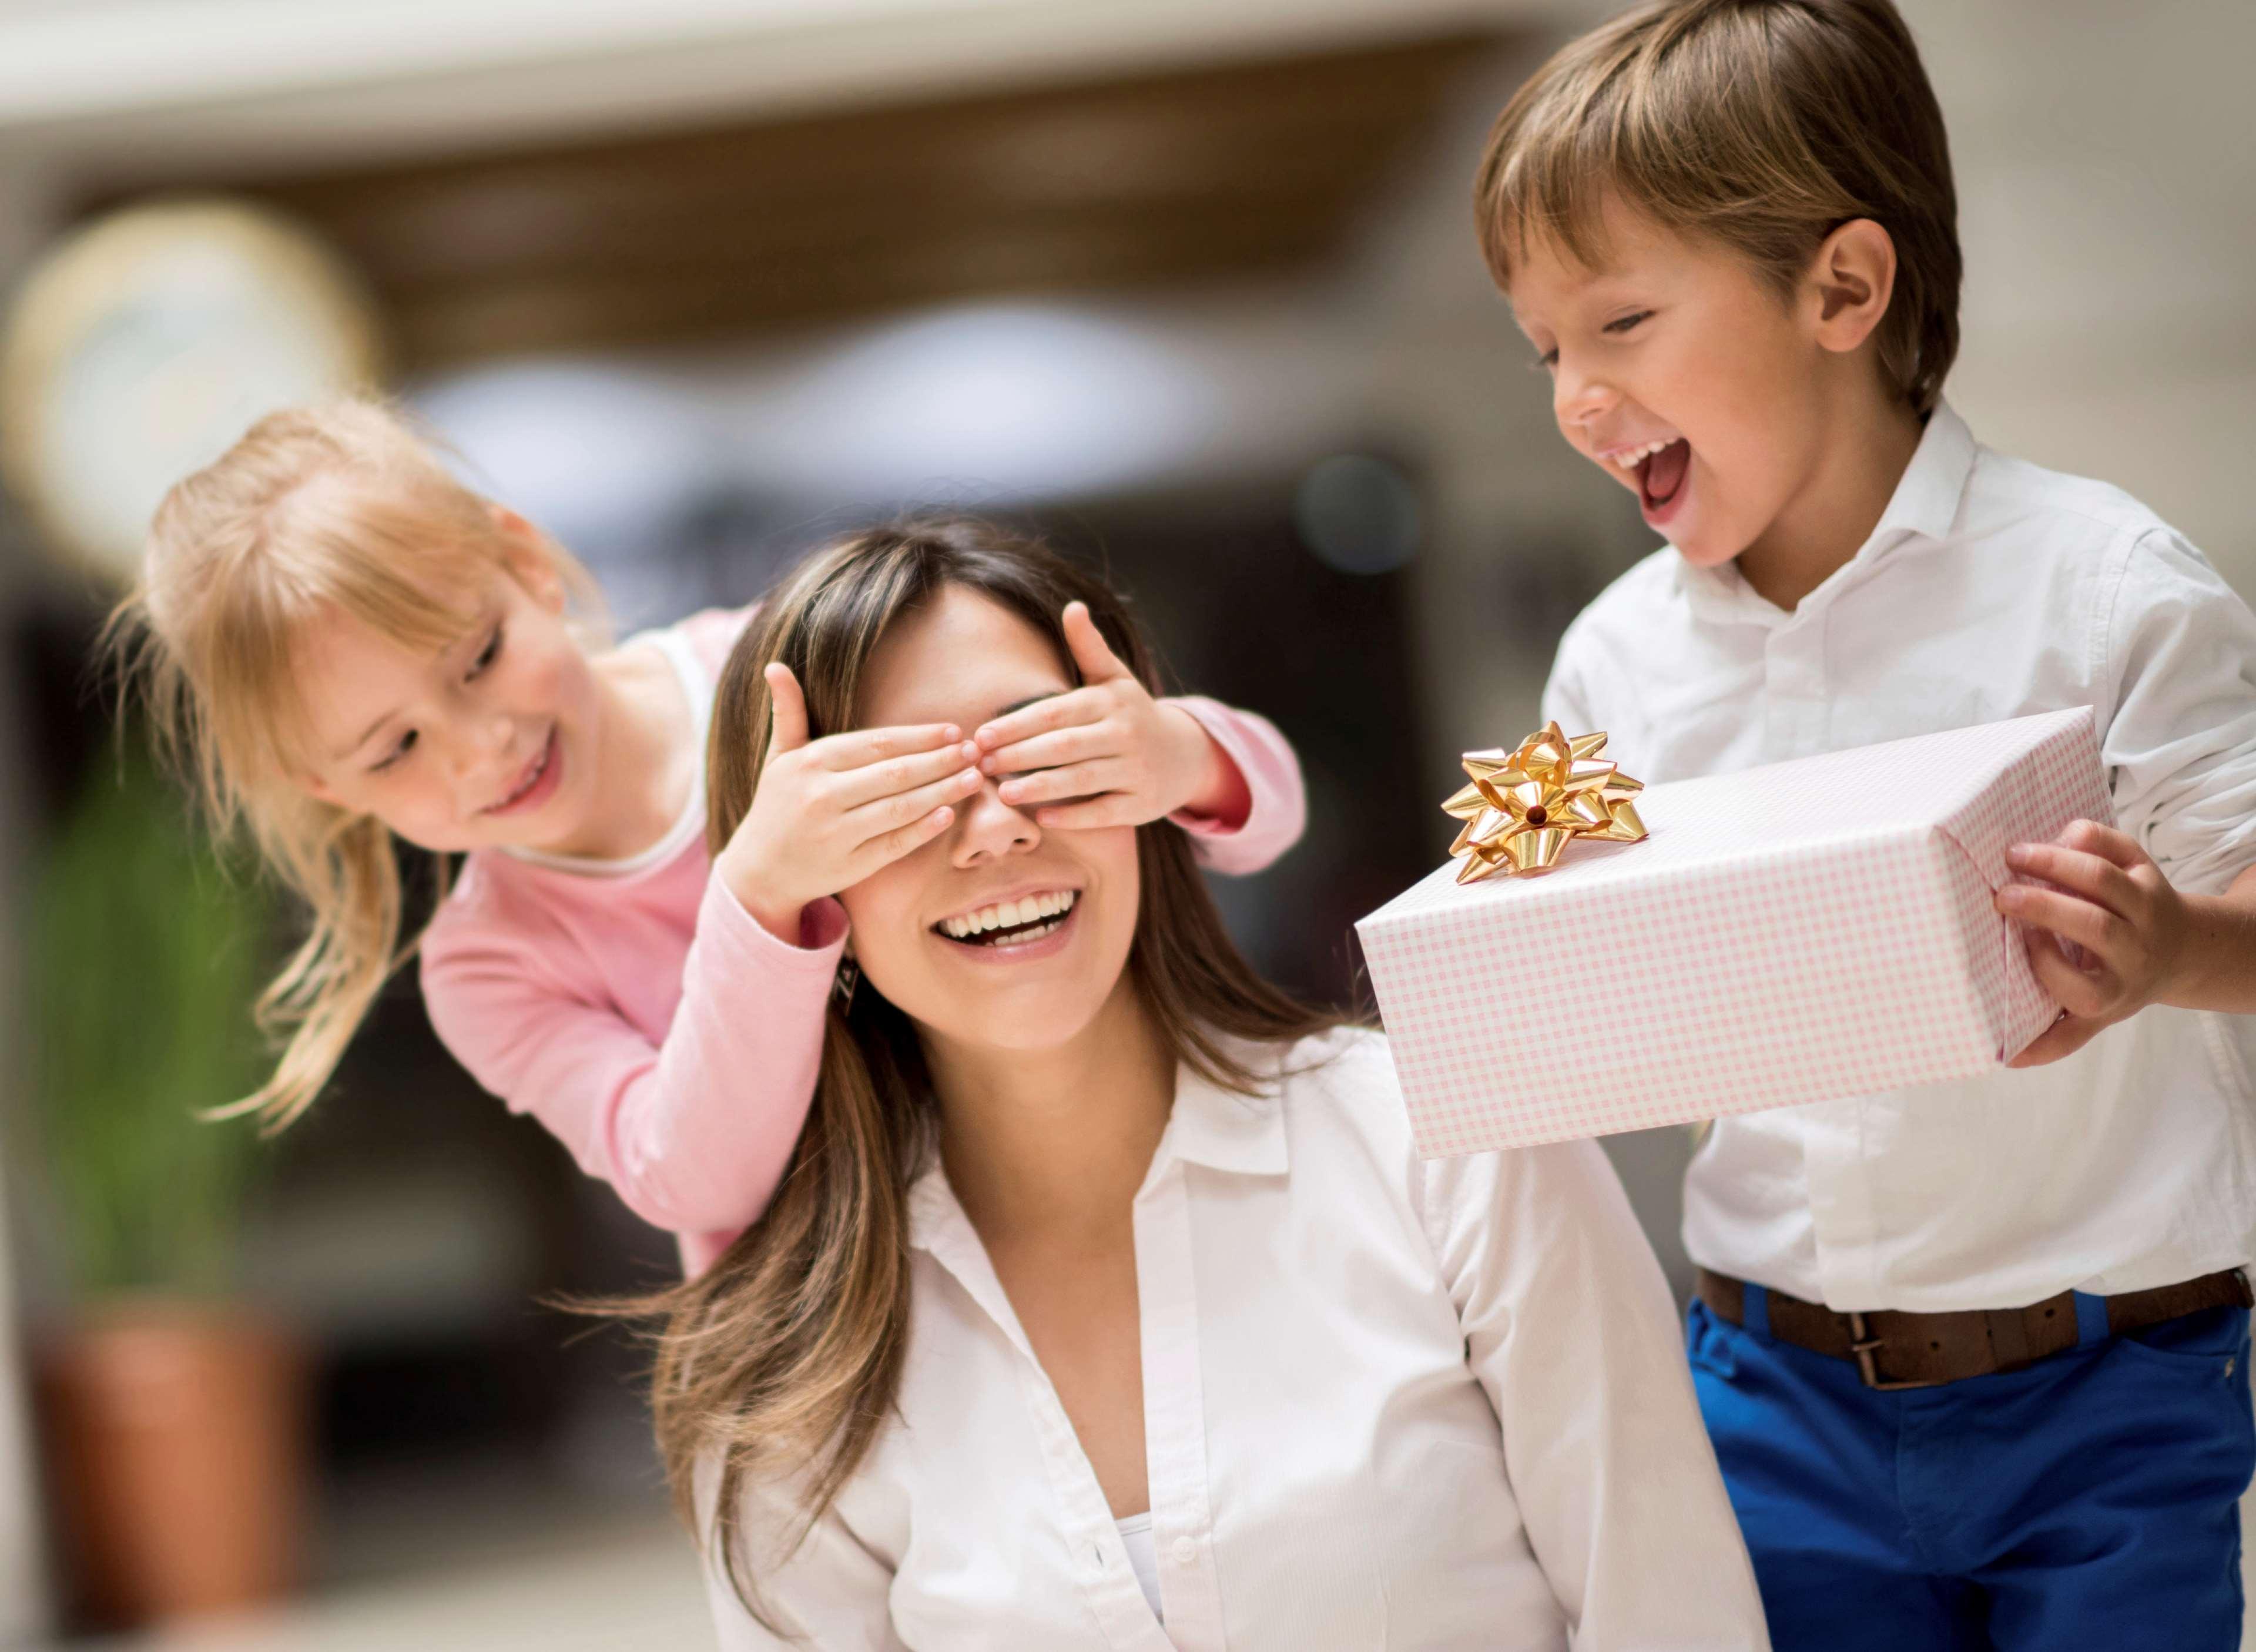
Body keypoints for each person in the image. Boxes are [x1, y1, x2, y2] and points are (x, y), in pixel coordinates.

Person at [1476, 1, 2256, 1644]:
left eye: (1618, 321)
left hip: (2114, 1388)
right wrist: (1513, 902)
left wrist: (2172, 944)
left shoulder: (2107, 586)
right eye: (1547, 348)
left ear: (1842, 287)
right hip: (1774, 1399)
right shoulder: (1609, 658)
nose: (1573, 395)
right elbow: (1523, 924)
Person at [646, 517, 1766, 1651]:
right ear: (804, 894)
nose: (993, 829)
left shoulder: (1446, 1143)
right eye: (889, 795)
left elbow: (1669, 1606)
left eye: (1044, 751)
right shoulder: (788, 1364)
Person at [116, 400, 1306, 1273]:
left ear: (525, 564)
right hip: (863, 1316)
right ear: (321, 784)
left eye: (477, 659)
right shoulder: (490, 967)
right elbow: (696, 1178)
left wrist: (1175, 756)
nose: (478, 747)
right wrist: (759, 898)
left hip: (1096, 1199)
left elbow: (1256, 826)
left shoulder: (781, 665)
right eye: (394, 749)